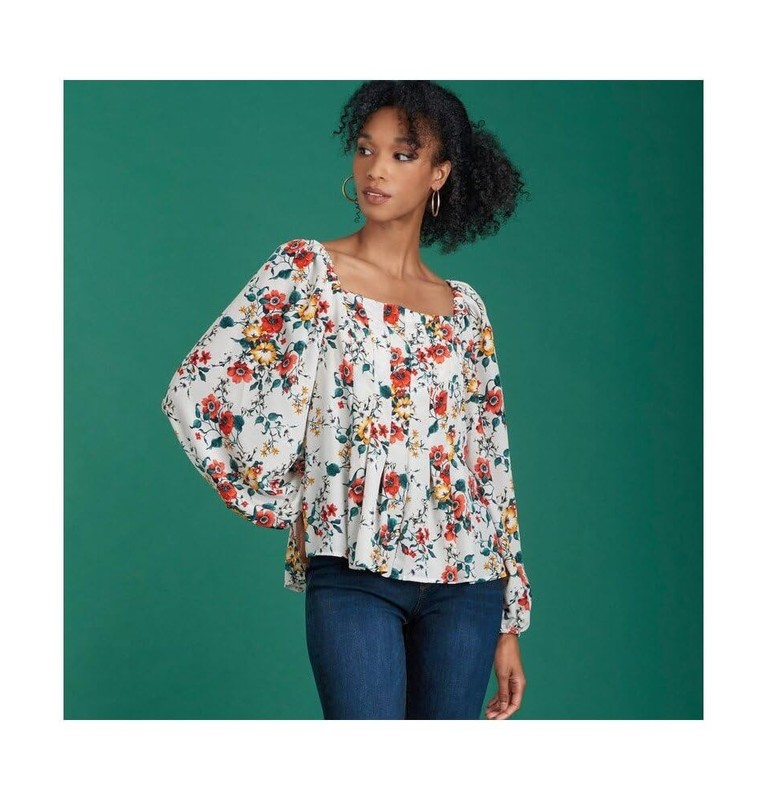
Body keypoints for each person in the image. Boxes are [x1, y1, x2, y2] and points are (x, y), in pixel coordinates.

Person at [161, 80, 533, 720]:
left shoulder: (464, 310)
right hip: (354, 573)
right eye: (366, 149)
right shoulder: (310, 274)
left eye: (403, 155)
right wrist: (292, 498)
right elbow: (198, 388)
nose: (376, 169)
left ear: (440, 173)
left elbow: (487, 464)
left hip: (468, 582)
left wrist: (507, 621)